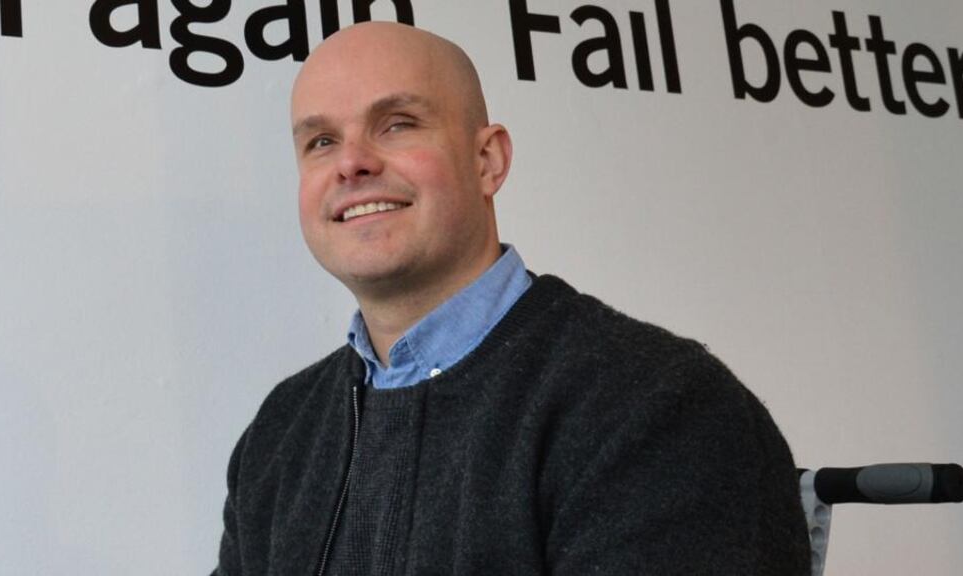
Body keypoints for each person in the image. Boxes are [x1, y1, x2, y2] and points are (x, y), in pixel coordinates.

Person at [213, 21, 811, 576]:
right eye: (320, 141)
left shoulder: (659, 408)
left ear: (487, 161)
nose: (351, 163)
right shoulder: (280, 432)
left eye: (396, 124)